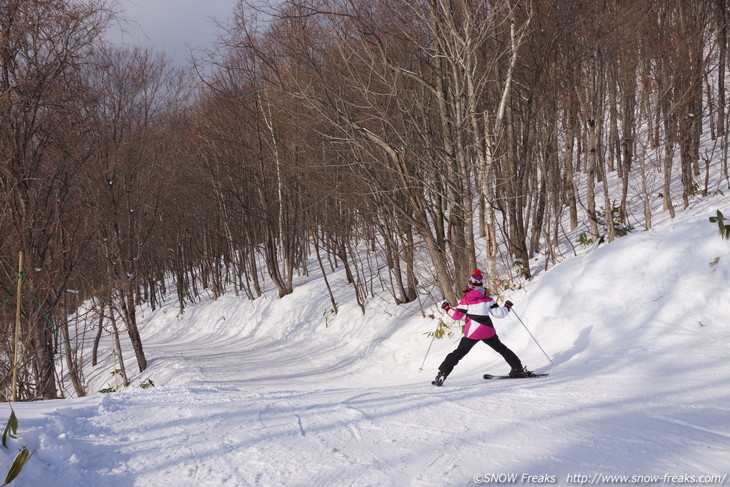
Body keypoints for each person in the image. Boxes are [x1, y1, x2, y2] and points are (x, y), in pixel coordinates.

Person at [432, 269, 533, 386]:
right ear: (481, 286)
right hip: (488, 332)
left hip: (472, 333)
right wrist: (507, 306)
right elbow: (500, 314)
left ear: (470, 285)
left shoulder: (466, 301)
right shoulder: (488, 300)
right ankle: (517, 369)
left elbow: (456, 316)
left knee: (458, 354)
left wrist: (447, 309)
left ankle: (442, 374)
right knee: (502, 349)